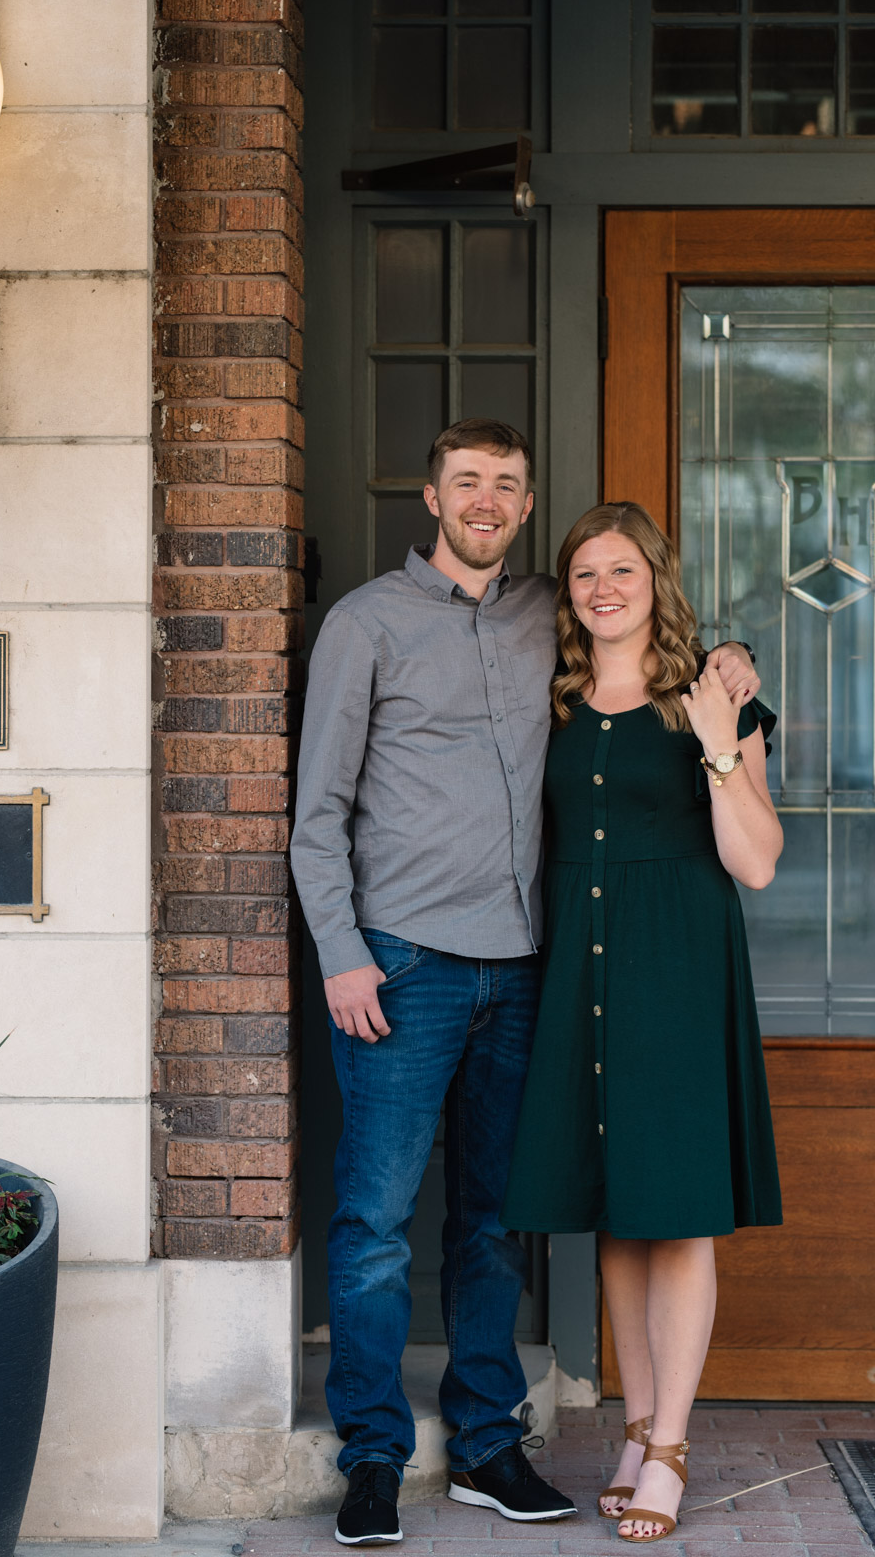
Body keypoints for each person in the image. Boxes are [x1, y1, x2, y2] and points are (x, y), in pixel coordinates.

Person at [291, 421, 759, 1547]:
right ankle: (369, 1454)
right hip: (399, 963)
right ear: (431, 495)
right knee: (371, 1220)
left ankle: (488, 1444)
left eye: (506, 485)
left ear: (522, 499)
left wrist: (729, 668)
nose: (487, 500)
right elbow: (315, 817)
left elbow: (642, 625)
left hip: (534, 971)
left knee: (497, 1225)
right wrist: (342, 951)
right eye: (467, 483)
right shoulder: (365, 624)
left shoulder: (546, 610)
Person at [500, 500, 783, 1546]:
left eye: (621, 569)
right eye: (582, 573)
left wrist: (716, 744)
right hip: (580, 963)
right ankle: (633, 1429)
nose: (601, 587)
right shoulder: (553, 695)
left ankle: (669, 1443)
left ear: (656, 580)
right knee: (615, 1215)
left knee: (677, 1211)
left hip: (676, 965)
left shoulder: (714, 697)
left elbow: (754, 860)